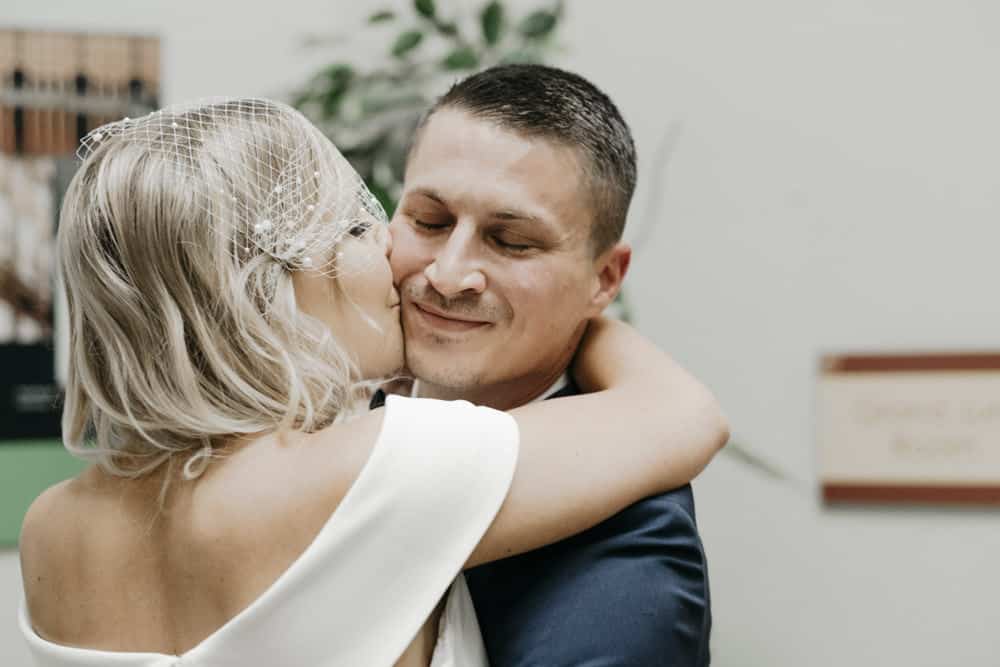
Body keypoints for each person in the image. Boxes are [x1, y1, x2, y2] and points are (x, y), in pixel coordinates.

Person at [16, 98, 727, 666]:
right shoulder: (380, 463)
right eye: (359, 227)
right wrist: (580, 308)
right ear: (271, 285)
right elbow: (684, 413)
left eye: (512, 241)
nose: (397, 253)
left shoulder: (51, 528)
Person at [385, 64, 717, 665]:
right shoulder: (310, 407)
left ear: (604, 279)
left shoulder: (630, 556)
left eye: (511, 241)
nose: (448, 274)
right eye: (428, 222)